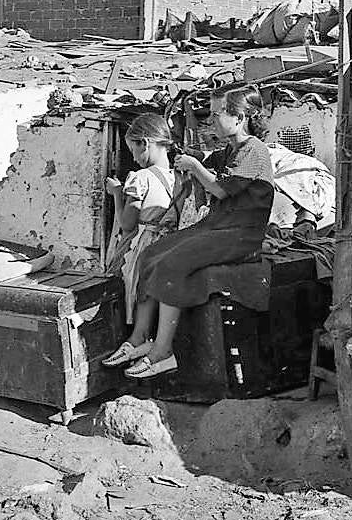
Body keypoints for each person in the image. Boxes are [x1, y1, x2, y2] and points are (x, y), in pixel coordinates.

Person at [102, 85, 274, 378]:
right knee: (151, 254)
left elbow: (219, 189)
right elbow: (205, 181)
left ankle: (163, 352)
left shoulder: (255, 151)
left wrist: (194, 166)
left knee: (172, 264)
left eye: (218, 113)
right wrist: (190, 167)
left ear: (240, 117)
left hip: (240, 235)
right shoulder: (227, 152)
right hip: (216, 228)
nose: (211, 119)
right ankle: (140, 337)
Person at [103, 113, 186, 328]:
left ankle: (133, 339)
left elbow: (127, 224)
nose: (134, 158)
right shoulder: (180, 177)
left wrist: (117, 194)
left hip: (143, 248)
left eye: (133, 150)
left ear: (145, 144)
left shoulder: (140, 178)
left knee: (132, 295)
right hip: (171, 246)